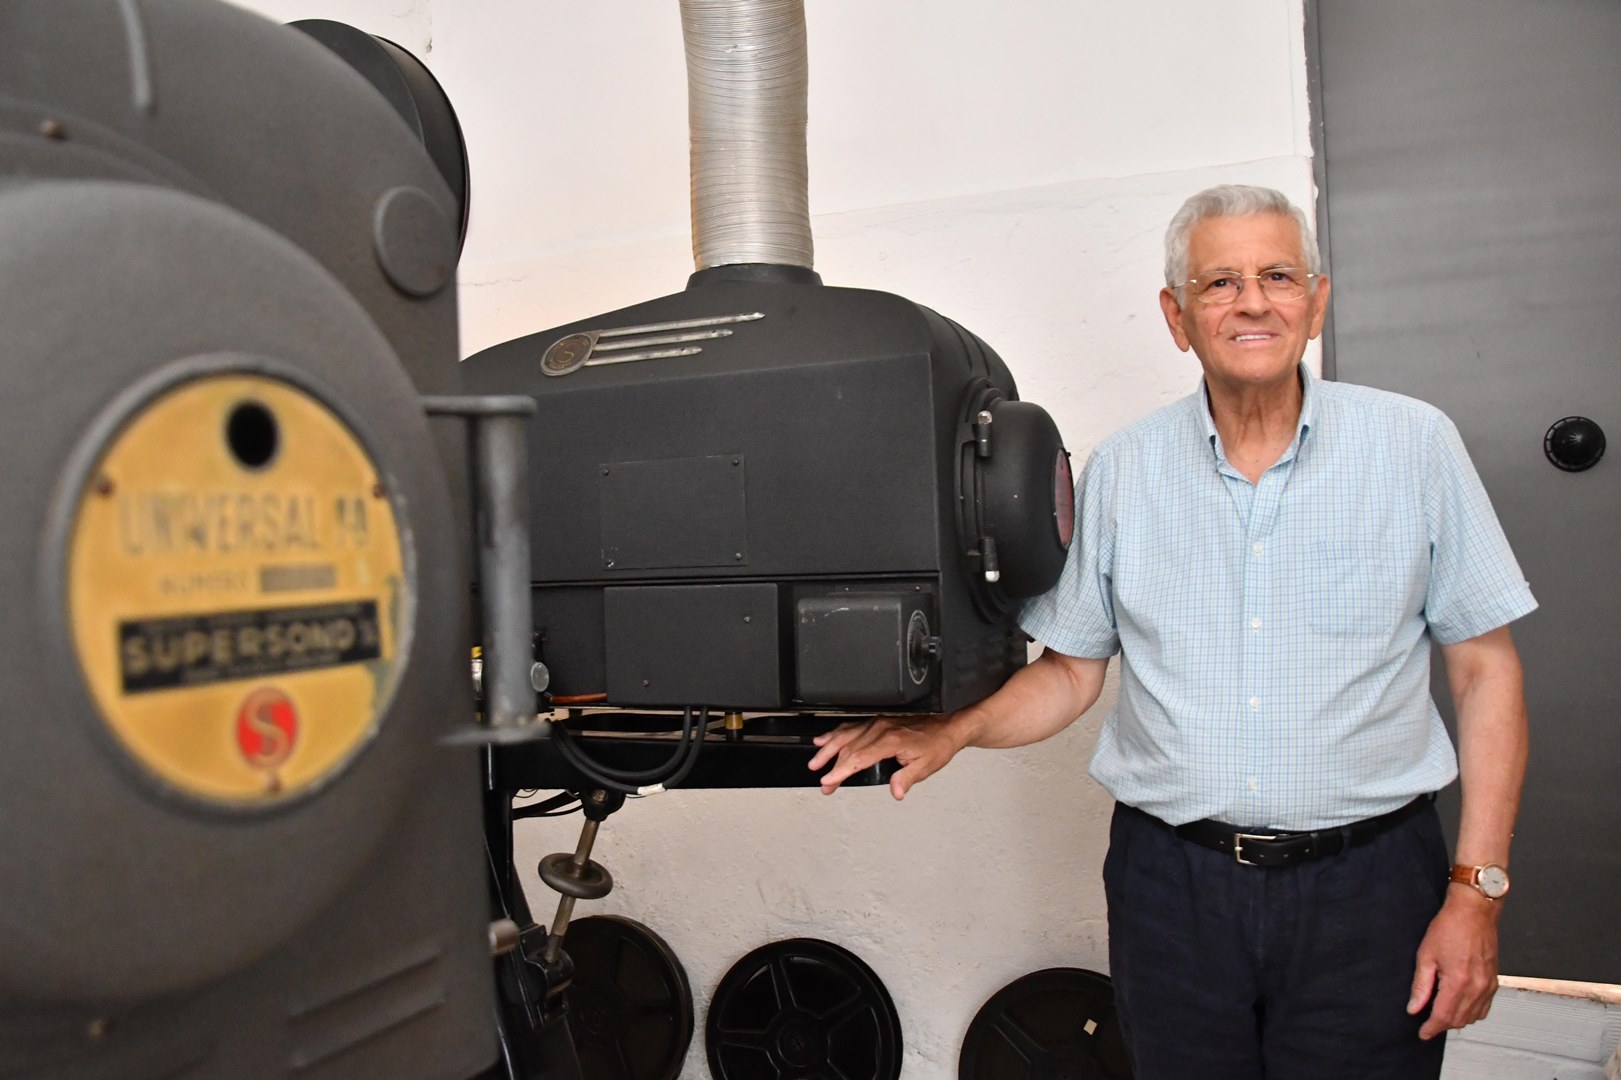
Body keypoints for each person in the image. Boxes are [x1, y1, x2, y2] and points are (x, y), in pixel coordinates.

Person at [809, 184, 1535, 1079]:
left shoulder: (1414, 446)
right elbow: (1070, 672)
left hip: (1370, 888)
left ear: (1315, 302)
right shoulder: (1123, 470)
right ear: (1176, 316)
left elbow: (1485, 673)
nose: (1252, 302)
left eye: (1277, 276)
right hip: (1174, 891)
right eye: (1219, 283)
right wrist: (951, 730)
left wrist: (1475, 893)